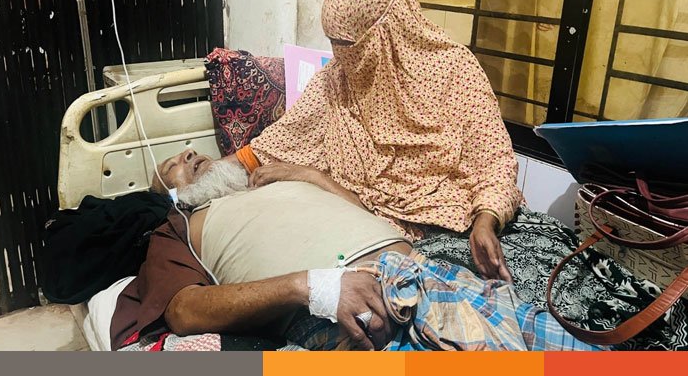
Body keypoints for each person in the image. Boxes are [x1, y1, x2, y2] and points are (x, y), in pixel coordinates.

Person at [124, 149, 602, 352]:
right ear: (170, 194)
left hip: (429, 271)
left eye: (190, 151)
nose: (189, 155)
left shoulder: (270, 179)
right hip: (355, 312)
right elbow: (184, 311)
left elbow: (365, 214)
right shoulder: (179, 227)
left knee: (577, 350)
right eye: (173, 165)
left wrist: (310, 177)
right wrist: (313, 287)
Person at [228, 0, 522, 284]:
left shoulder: (456, 71)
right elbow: (280, 142)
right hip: (368, 228)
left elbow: (495, 163)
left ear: (385, 36)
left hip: (453, 223)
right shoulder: (336, 80)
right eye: (332, 43)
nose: (338, 55)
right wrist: (210, 172)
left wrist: (486, 221)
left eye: (346, 45)